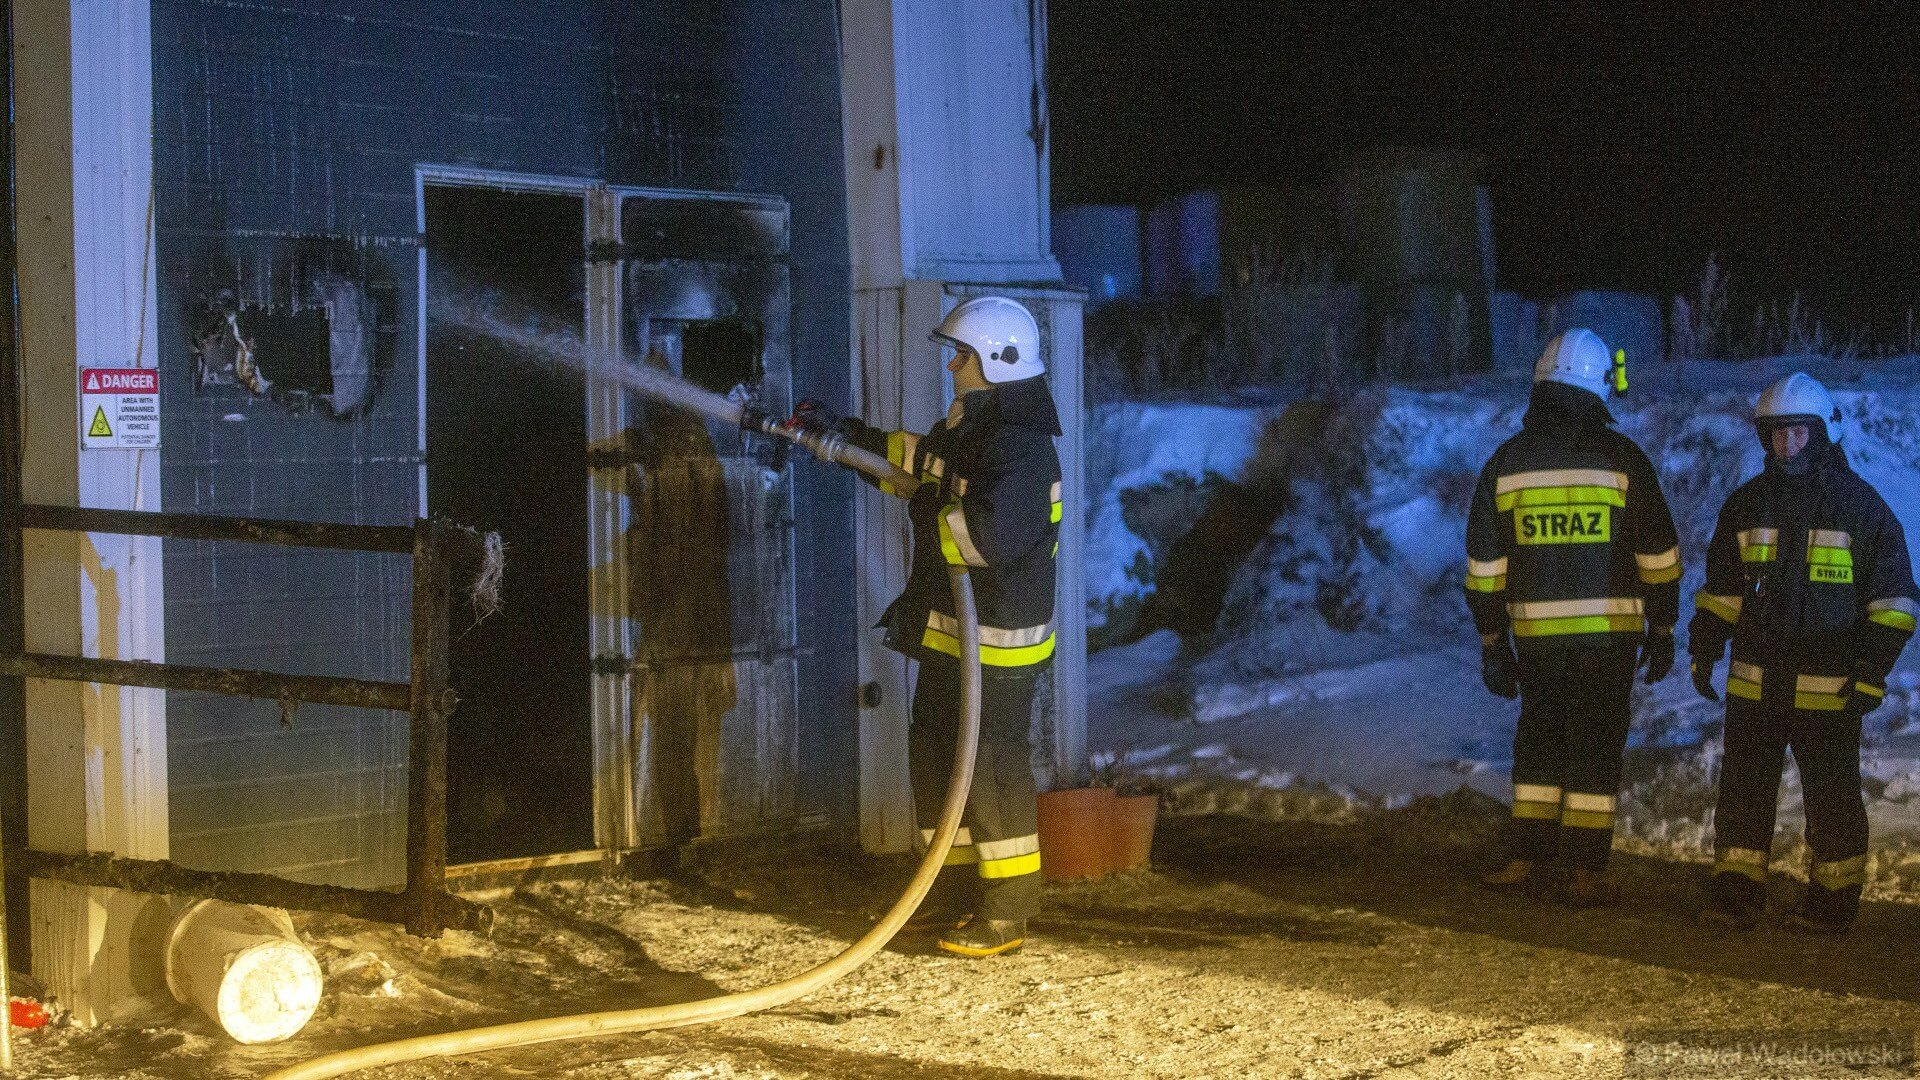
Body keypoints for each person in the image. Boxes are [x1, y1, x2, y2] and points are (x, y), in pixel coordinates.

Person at [839, 296, 1063, 957]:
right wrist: (842, 438)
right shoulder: (974, 429)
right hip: (953, 636)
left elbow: (988, 539)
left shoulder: (1021, 450)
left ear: (996, 361)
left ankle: (1007, 910)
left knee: (989, 769)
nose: (951, 365)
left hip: (996, 643)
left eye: (961, 354)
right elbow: (920, 462)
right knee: (938, 758)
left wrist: (933, 507)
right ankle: (950, 890)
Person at [1689, 372, 1916, 933]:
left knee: (1832, 797)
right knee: (1743, 790)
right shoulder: (1746, 505)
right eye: (1776, 433)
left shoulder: (1861, 509)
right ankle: (1737, 890)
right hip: (1756, 683)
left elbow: (1895, 603)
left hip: (1828, 688)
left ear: (1823, 433)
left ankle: (1833, 902)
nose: (1785, 445)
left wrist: (1871, 668)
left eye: (1797, 432)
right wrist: (1705, 643)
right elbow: (1723, 589)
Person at [1464, 329, 1681, 906]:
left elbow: (1485, 569)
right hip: (1610, 640)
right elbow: (1659, 557)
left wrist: (1492, 640)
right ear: (1599, 387)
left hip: (1537, 641)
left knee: (1538, 739)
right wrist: (1663, 628)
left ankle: (1527, 856)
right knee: (1596, 746)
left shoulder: (1506, 463)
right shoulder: (1624, 461)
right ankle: (1585, 869)